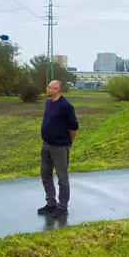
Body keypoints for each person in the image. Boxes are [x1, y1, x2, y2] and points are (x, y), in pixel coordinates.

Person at [38, 80, 79, 218]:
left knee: (62, 178)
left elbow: (73, 128)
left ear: (57, 90)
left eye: (49, 87)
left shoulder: (66, 106)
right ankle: (51, 203)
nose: (47, 88)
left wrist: (68, 143)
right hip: (46, 145)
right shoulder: (49, 103)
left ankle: (63, 207)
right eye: (47, 86)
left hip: (60, 147)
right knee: (45, 174)